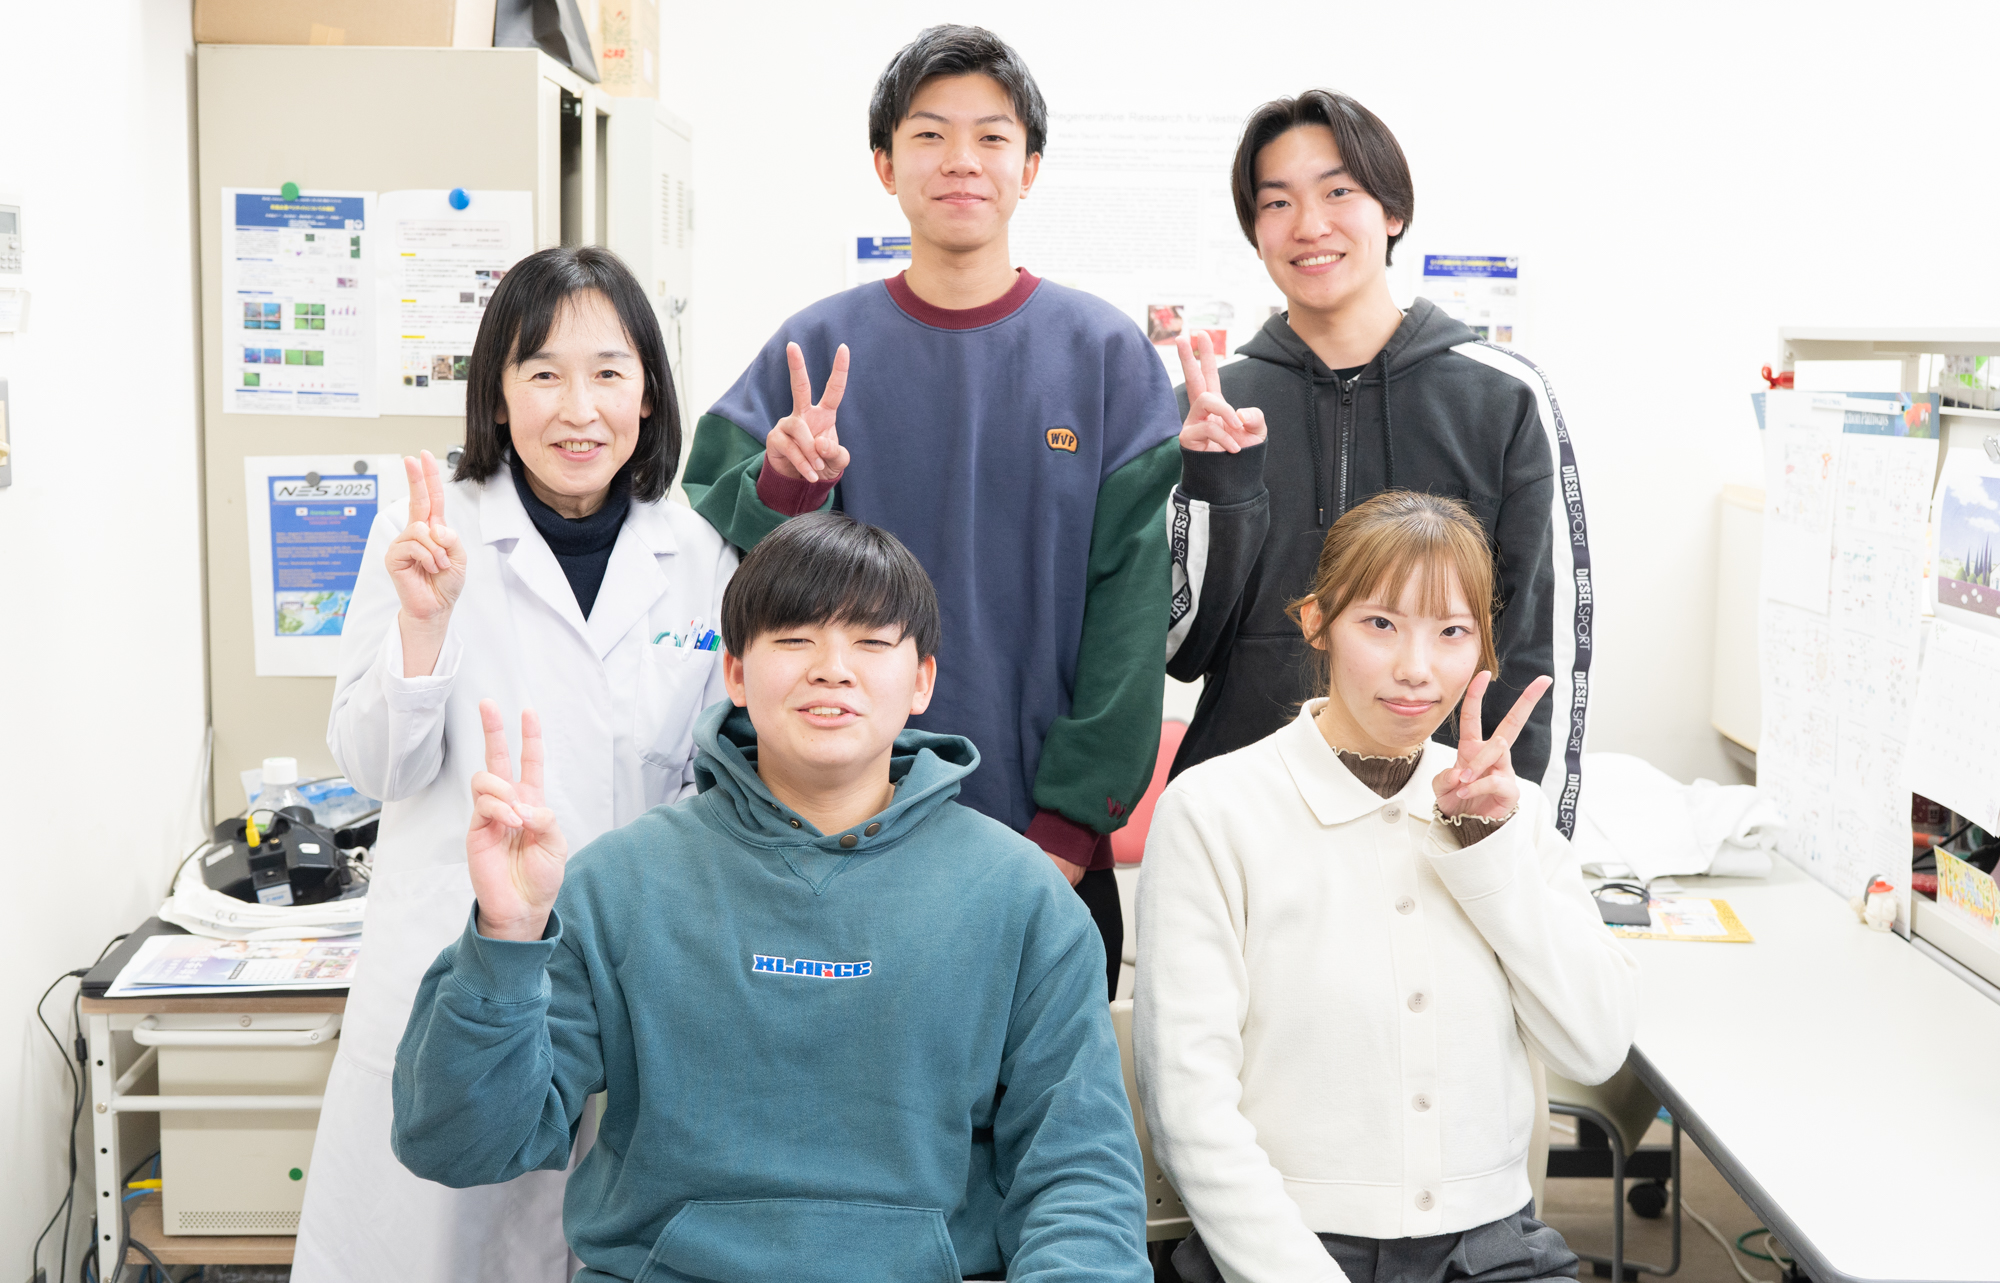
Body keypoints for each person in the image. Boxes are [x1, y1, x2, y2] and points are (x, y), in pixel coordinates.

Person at [391, 512, 1151, 1282]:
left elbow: (1078, 1179)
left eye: (871, 640)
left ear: (921, 678)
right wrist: (507, 937)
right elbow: (458, 1143)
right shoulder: (621, 880)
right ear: (736, 673)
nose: (831, 667)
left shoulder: (1018, 895)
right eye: (794, 638)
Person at [681, 24, 1184, 997]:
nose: (961, 160)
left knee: (1043, 1124)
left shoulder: (1103, 355)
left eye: (991, 137)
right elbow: (729, 528)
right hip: (838, 834)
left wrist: (1069, 829)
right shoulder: (817, 348)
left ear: (1028, 168)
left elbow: (1130, 619)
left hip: (1046, 846)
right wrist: (790, 485)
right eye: (928, 135)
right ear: (884, 164)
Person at [292, 247, 737, 1282]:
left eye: (607, 371)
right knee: (442, 1243)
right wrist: (422, 627)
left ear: (649, 391)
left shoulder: (700, 552)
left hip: (634, 976)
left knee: (607, 1239)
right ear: (496, 391)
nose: (576, 406)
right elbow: (373, 766)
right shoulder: (426, 530)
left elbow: (716, 781)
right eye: (541, 372)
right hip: (460, 968)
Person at [1135, 491, 1635, 1283]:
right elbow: (1188, 1105)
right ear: (1315, 621)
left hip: (1496, 1248)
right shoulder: (1214, 810)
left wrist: (1489, 845)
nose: (1416, 668)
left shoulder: (1512, 810)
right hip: (1288, 1247)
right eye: (1380, 624)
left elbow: (1595, 1045)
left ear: (1484, 651)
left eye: (1452, 633)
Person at [1163, 90, 1593, 835]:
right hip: (1248, 817)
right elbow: (1182, 648)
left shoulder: (1501, 396)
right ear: (1255, 230)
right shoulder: (1211, 408)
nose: (1310, 225)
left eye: (1339, 192)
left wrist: (1521, 844)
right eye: (1277, 202)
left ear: (1391, 212)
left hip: (1440, 816)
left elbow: (1542, 643)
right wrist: (1217, 487)